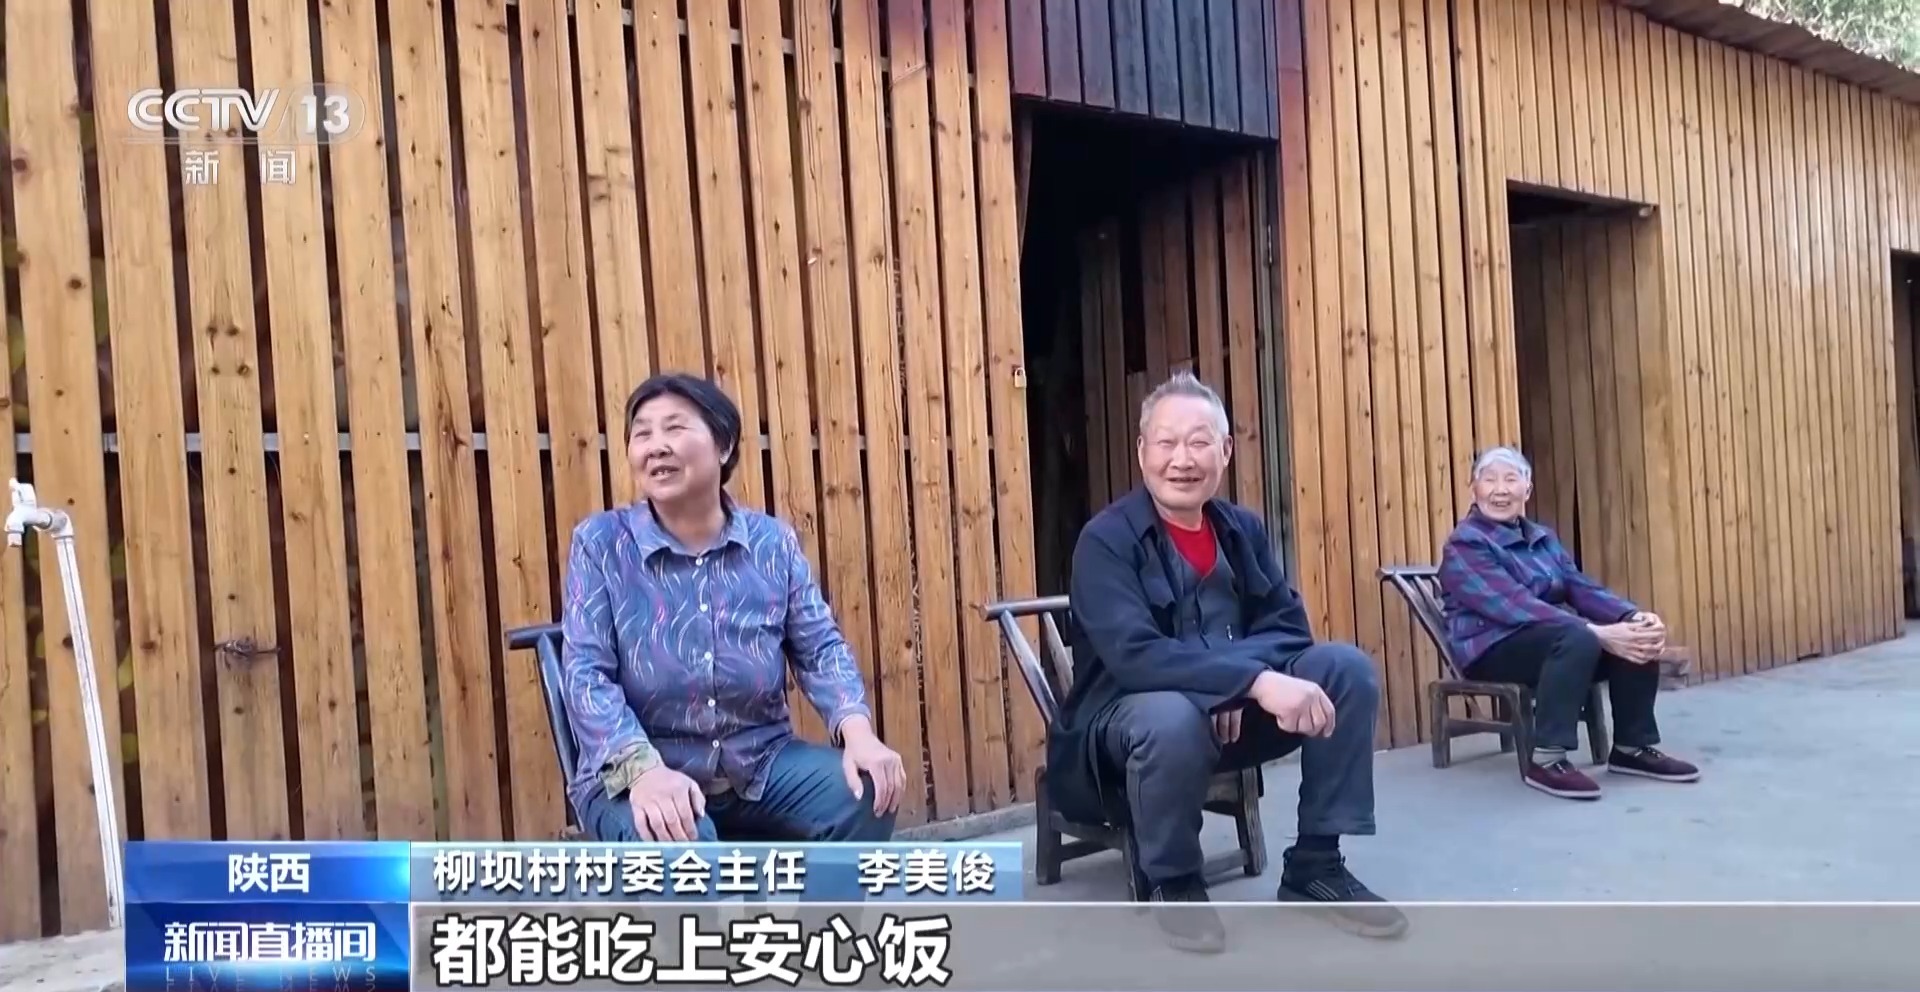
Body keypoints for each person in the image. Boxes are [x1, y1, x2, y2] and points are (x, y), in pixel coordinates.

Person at [1053, 370, 1407, 952]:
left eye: (1199, 442)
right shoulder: (1106, 540)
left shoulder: (1241, 529)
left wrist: (1240, 685)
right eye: (1166, 443)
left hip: (1234, 722)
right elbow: (1134, 656)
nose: (1182, 459)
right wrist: (1246, 681)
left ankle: (1316, 863)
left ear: (1224, 451)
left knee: (1344, 671)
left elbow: (1288, 627)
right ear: (1142, 452)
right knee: (1171, 715)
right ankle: (1175, 881)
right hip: (1127, 731)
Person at [558, 372, 906, 848]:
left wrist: (858, 732)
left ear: (722, 447)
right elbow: (586, 676)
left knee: (865, 792)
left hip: (759, 762)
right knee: (680, 837)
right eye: (642, 434)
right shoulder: (601, 543)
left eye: (674, 428)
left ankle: (821, 902)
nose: (656, 447)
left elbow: (821, 649)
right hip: (639, 769)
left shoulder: (771, 543)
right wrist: (643, 771)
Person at [1436, 446, 1700, 801]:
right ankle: (1546, 759)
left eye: (1511, 479)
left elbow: (1579, 586)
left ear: (1527, 490)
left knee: (1636, 635)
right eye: (1489, 480)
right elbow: (1514, 606)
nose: (1500, 490)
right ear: (1474, 489)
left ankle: (1631, 748)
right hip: (1492, 647)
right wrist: (1597, 633)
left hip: (1551, 640)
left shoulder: (1541, 538)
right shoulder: (1466, 544)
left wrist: (1630, 616)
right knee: (1578, 636)